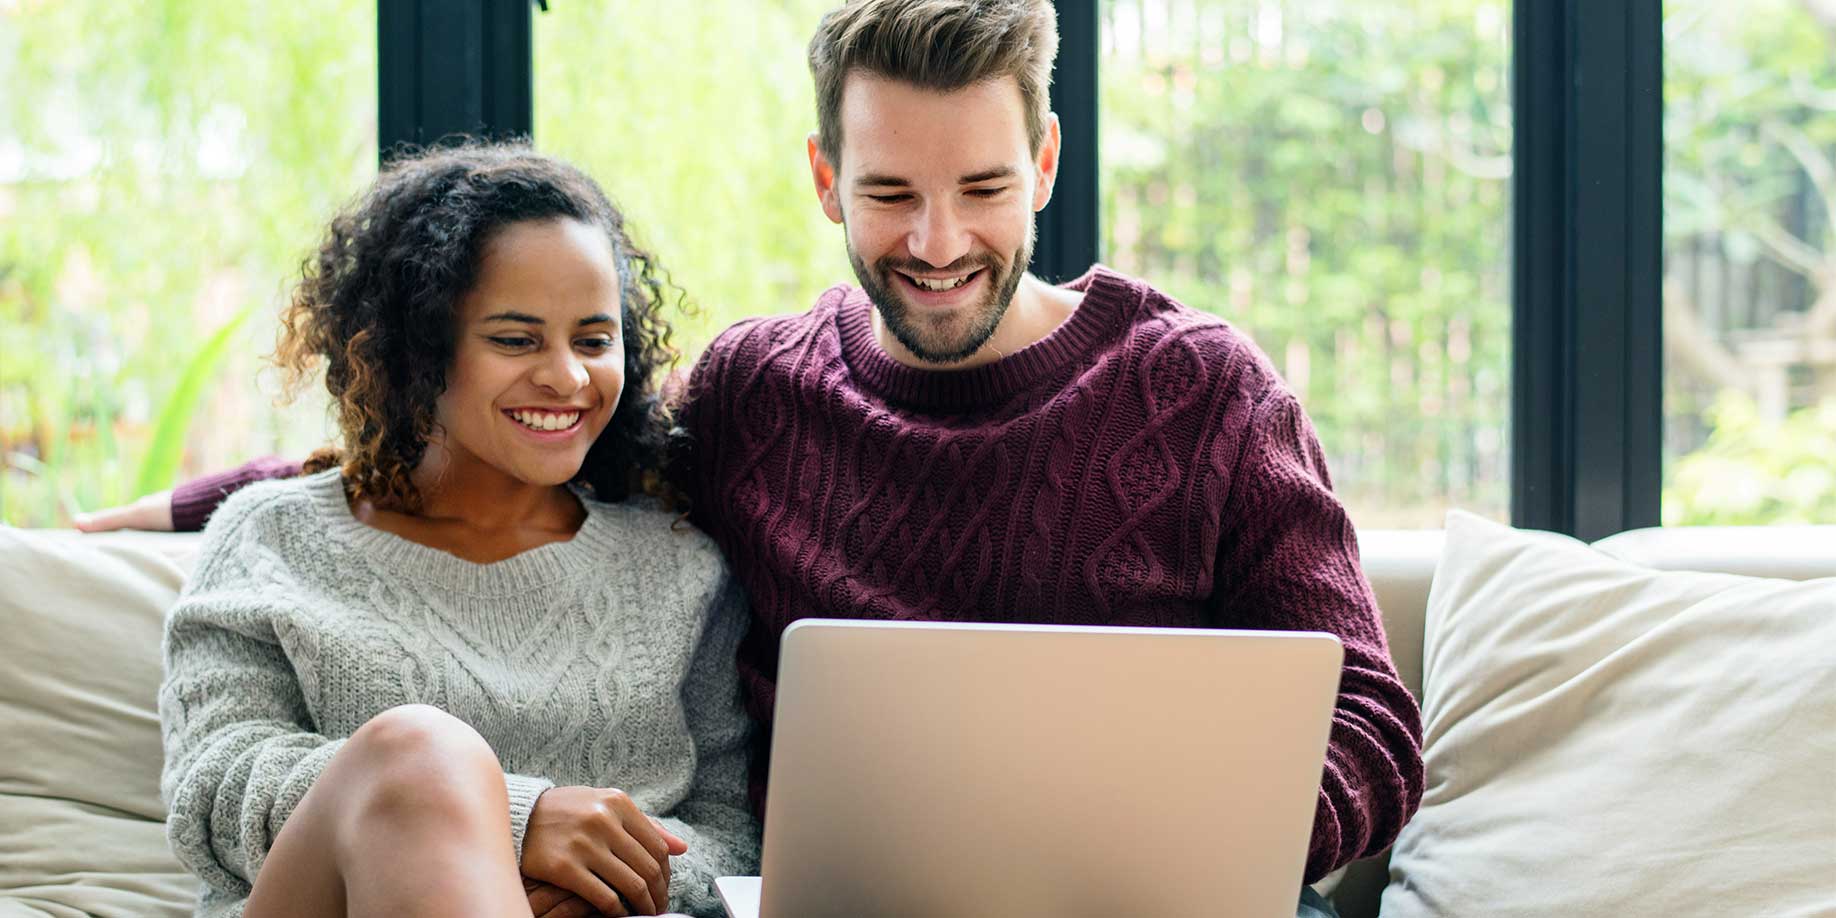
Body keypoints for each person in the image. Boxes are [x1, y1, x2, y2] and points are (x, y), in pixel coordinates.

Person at [83, 3, 1422, 914]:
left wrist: (1167, 842)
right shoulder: (758, 393)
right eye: (891, 192)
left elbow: (1370, 726)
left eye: (984, 190)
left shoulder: (1208, 395)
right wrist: (197, 502)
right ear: (827, 178)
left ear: (1048, 162)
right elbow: (516, 428)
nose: (939, 239)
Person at [151, 143, 756, 918]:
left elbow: (732, 837)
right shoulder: (269, 540)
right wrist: (509, 823)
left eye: (595, 339)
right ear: (420, 350)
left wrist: (593, 881)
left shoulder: (679, 570)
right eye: (516, 338)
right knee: (417, 753)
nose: (568, 376)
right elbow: (215, 786)